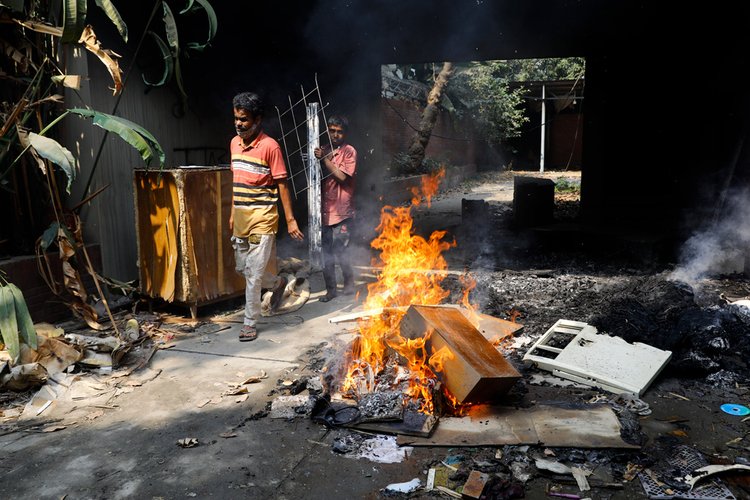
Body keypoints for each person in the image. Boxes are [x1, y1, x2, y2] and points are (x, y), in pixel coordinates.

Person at [230, 92, 304, 341]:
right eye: (237, 119)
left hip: (263, 217)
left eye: (245, 119)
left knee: (252, 273)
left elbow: (282, 184)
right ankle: (277, 284)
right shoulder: (233, 144)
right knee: (243, 268)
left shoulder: (270, 146)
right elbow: (236, 182)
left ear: (258, 120)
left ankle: (249, 322)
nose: (239, 124)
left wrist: (290, 219)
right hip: (241, 218)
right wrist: (232, 213)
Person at [314, 115, 357, 302]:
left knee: (341, 251)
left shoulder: (349, 152)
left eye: (339, 132)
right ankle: (331, 289)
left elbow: (342, 177)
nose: (335, 135)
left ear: (345, 133)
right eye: (332, 130)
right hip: (323, 212)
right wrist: (321, 157)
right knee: (326, 253)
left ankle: (349, 283)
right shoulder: (322, 150)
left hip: (342, 212)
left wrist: (325, 160)